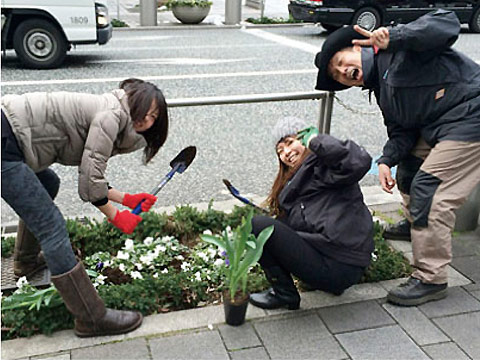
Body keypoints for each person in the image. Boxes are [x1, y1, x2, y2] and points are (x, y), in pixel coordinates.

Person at [314, 9, 480, 306]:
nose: (344, 73)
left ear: (357, 46)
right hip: (441, 126)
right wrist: (386, 160)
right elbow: (402, 132)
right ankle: (417, 224)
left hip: (471, 114)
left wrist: (394, 37)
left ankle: (431, 277)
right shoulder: (380, 88)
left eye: (341, 62)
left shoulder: (399, 48)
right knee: (409, 169)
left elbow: (446, 23)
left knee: (430, 188)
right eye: (338, 75)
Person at [1, 78, 168, 337]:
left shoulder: (114, 110)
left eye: (154, 116)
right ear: (133, 100)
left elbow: (92, 173)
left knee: (48, 183)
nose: (147, 119)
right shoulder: (111, 116)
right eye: (145, 109)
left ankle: (25, 262)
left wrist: (126, 199)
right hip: (5, 142)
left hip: (11, 136)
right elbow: (90, 183)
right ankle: (91, 318)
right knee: (52, 227)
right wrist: (116, 216)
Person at [249, 117, 374, 310]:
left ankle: (284, 294)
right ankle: (292, 290)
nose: (286, 153)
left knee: (258, 226)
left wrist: (317, 141)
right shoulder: (296, 184)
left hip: (341, 264)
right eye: (280, 151)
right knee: (277, 225)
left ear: (305, 140)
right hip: (332, 263)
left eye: (289, 143)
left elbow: (359, 161)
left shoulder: (326, 167)